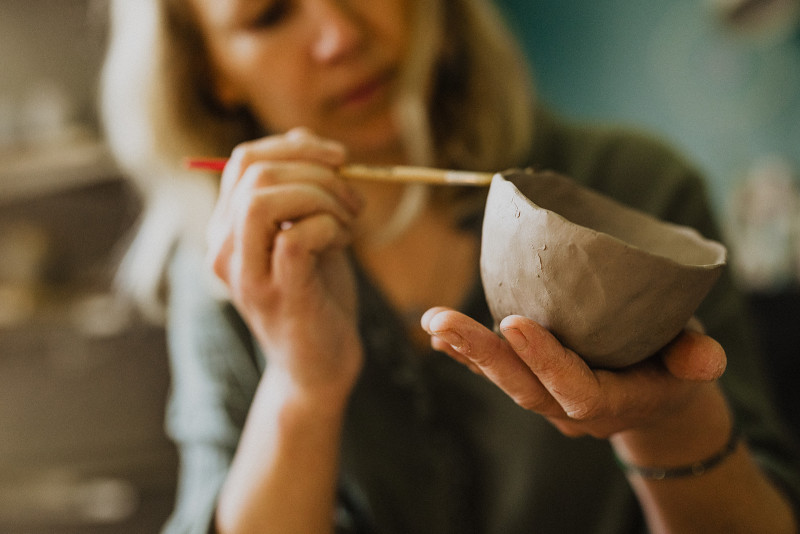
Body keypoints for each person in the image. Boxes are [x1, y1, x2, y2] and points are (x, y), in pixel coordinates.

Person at [100, 0, 800, 532]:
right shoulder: (232, 266)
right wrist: (302, 385)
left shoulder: (633, 189)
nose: (340, 36)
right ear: (211, 73)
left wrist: (672, 422)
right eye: (268, 15)